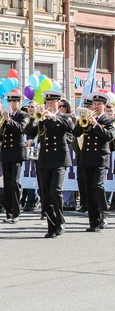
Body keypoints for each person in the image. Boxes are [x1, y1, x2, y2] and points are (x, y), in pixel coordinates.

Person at [25, 91, 73, 238]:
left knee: (55, 190)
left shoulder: (64, 116)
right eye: (47, 102)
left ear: (59, 103)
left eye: (52, 102)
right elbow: (28, 132)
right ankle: (51, 226)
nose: (49, 105)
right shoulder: (42, 118)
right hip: (44, 160)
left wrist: (55, 117)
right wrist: (35, 119)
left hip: (59, 159)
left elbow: (70, 128)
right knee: (45, 194)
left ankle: (60, 221)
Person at [73, 92, 115, 232]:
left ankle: (103, 215)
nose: (96, 106)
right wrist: (81, 121)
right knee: (88, 189)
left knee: (97, 186)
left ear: (104, 105)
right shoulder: (87, 118)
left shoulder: (109, 120)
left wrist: (95, 124)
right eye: (94, 104)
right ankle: (93, 221)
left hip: (100, 158)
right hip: (87, 157)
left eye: (99, 104)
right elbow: (76, 133)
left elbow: (109, 136)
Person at [0, 91, 30, 223]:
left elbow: (21, 129)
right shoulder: (5, 115)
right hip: (6, 152)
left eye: (15, 102)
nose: (12, 104)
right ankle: (9, 212)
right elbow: (0, 132)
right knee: (6, 184)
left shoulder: (24, 115)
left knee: (14, 183)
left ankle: (16, 212)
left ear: (20, 102)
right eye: (10, 102)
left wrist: (9, 120)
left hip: (17, 152)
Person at [59, 99, 77, 211]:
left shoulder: (69, 118)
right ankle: (64, 201)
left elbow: (73, 133)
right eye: (60, 106)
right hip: (58, 150)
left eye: (64, 106)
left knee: (70, 176)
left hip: (69, 148)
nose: (62, 108)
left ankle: (71, 201)